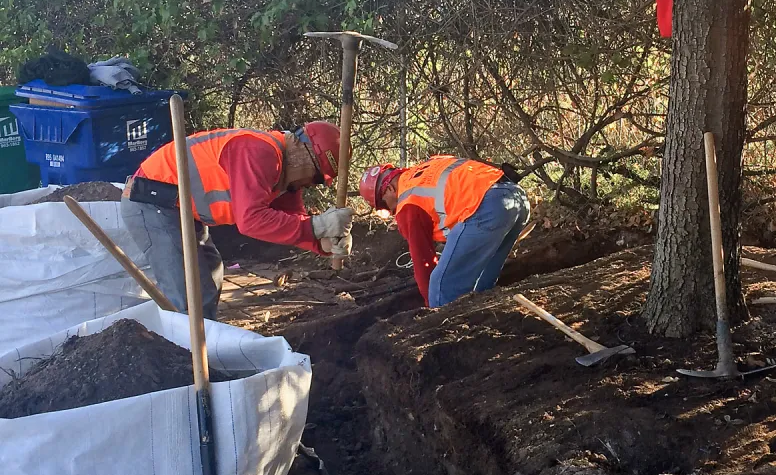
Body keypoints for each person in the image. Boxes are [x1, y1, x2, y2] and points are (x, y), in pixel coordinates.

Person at [120, 122, 352, 318]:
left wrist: (321, 243)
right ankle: (185, 362)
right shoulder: (258, 151)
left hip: (177, 210)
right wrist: (317, 226)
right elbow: (251, 220)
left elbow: (294, 220)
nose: (312, 184)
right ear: (304, 154)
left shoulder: (285, 174)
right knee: (192, 295)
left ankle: (199, 355)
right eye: (317, 177)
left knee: (209, 275)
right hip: (152, 204)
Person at [358, 156, 530, 307]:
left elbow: (423, 263)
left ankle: (444, 337)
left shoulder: (408, 205)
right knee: (482, 281)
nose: (389, 211)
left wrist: (432, 306)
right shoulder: (428, 167)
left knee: (441, 287)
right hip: (517, 198)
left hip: (488, 209)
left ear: (389, 189)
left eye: (383, 205)